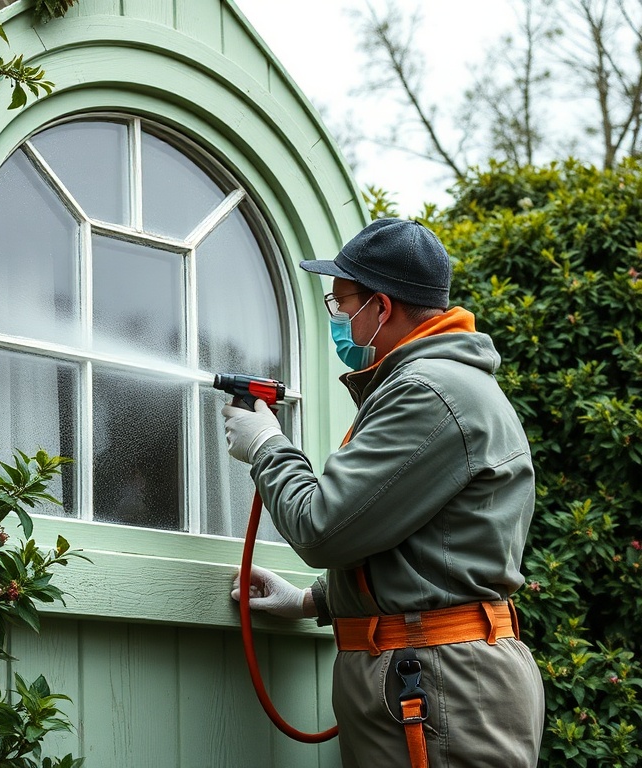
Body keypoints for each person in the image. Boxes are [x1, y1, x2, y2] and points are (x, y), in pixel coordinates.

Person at [222, 218, 545, 768]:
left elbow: (323, 528)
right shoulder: (436, 384)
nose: (338, 317)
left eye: (342, 302)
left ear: (382, 307)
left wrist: (267, 448)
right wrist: (313, 601)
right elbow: (428, 547)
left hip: (441, 682)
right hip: (429, 674)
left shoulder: (429, 392)